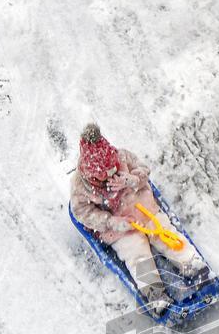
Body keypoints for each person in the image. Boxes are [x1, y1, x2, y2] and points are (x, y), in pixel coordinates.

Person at [70, 123, 205, 314]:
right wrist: (111, 222)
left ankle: (191, 263)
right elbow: (82, 213)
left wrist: (132, 179)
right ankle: (155, 294)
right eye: (104, 175)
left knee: (165, 232)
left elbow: (143, 169)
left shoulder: (122, 156)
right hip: (121, 228)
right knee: (136, 254)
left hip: (143, 208)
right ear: (91, 175)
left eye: (113, 169)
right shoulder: (79, 186)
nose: (111, 175)